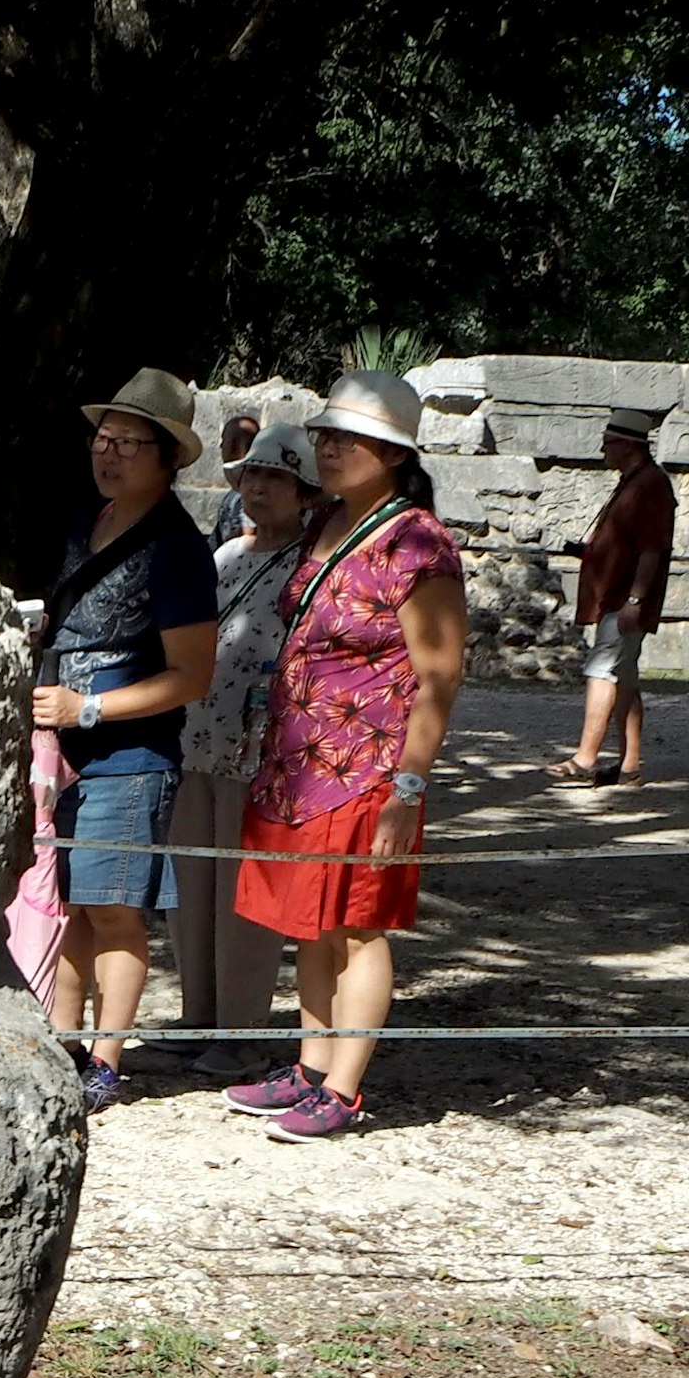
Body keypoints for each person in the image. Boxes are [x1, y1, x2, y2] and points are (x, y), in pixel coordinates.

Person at [221, 368, 466, 1144]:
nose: (328, 450)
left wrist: (409, 785)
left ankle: (346, 1087)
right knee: (310, 923)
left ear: (391, 454)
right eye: (325, 436)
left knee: (359, 925)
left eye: (349, 440)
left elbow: (440, 673)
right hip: (297, 764)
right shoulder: (325, 520)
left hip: (368, 767)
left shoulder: (417, 541)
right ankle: (310, 1063)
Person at [29, 368, 217, 1110]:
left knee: (114, 909)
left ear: (168, 457)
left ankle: (107, 1061)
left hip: (130, 758)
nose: (108, 455)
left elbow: (191, 674)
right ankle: (61, 1039)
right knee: (71, 901)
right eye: (103, 439)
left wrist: (92, 709)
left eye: (129, 443)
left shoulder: (176, 548)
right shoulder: (87, 519)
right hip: (65, 752)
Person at [167, 421, 321, 1080]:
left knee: (243, 894)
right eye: (252, 474)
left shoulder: (311, 569)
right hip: (194, 739)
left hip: (259, 752)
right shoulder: (225, 556)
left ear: (304, 490)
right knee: (189, 886)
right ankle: (196, 1014)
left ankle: (241, 1029)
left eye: (276, 476)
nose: (258, 486)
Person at [554, 406, 674, 784]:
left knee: (602, 671)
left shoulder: (650, 485)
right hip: (615, 597)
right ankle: (629, 766)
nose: (603, 451)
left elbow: (652, 549)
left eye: (608, 444)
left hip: (623, 600)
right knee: (624, 678)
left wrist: (635, 601)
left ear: (627, 445)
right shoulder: (634, 481)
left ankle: (586, 758)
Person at [207, 410, 264, 542]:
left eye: (224, 440)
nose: (221, 446)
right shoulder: (237, 489)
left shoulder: (249, 491)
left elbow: (248, 535)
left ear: (232, 445)